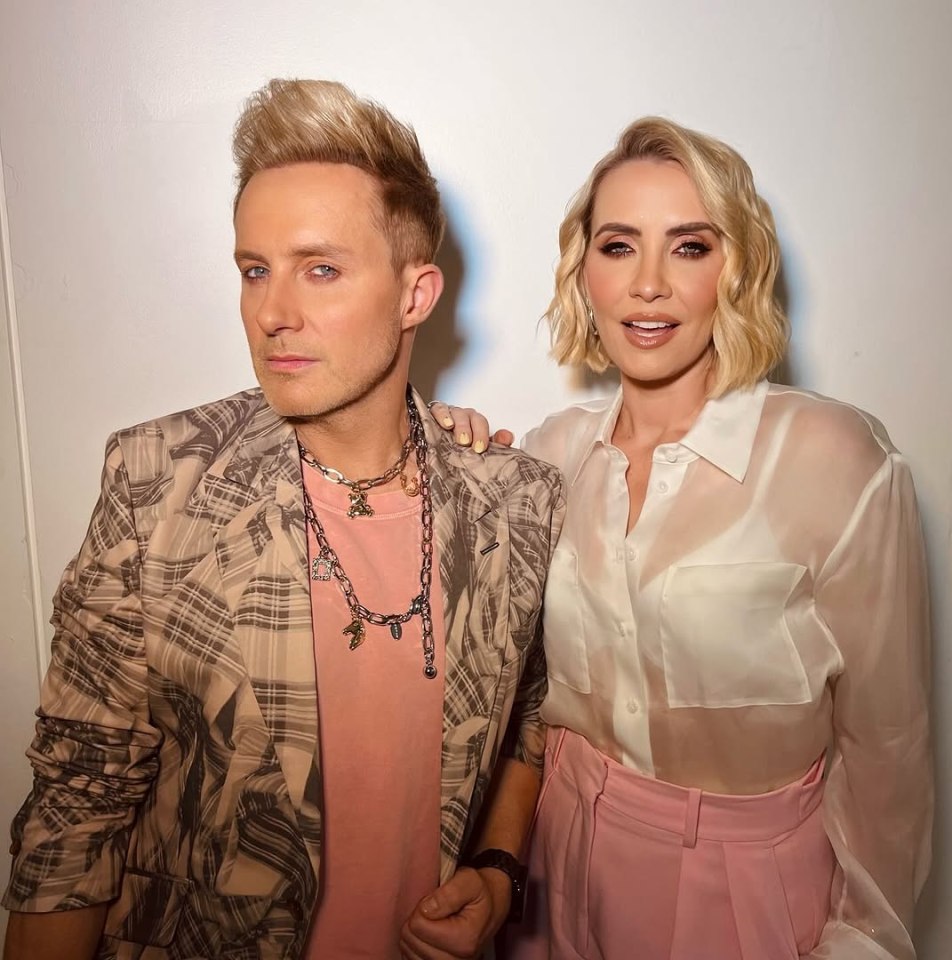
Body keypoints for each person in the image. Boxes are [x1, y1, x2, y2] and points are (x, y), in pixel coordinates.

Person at [1, 78, 564, 960]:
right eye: (255, 270)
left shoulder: (518, 500)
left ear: (416, 296)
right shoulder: (158, 483)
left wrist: (497, 872)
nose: (272, 313)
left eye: (322, 269)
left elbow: (527, 712)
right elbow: (77, 807)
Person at [430, 117, 932, 959]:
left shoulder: (840, 462)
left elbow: (889, 759)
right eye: (620, 246)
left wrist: (862, 946)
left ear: (735, 266)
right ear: (583, 270)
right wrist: (437, 465)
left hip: (744, 905)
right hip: (552, 880)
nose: (649, 285)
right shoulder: (548, 456)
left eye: (689, 247)